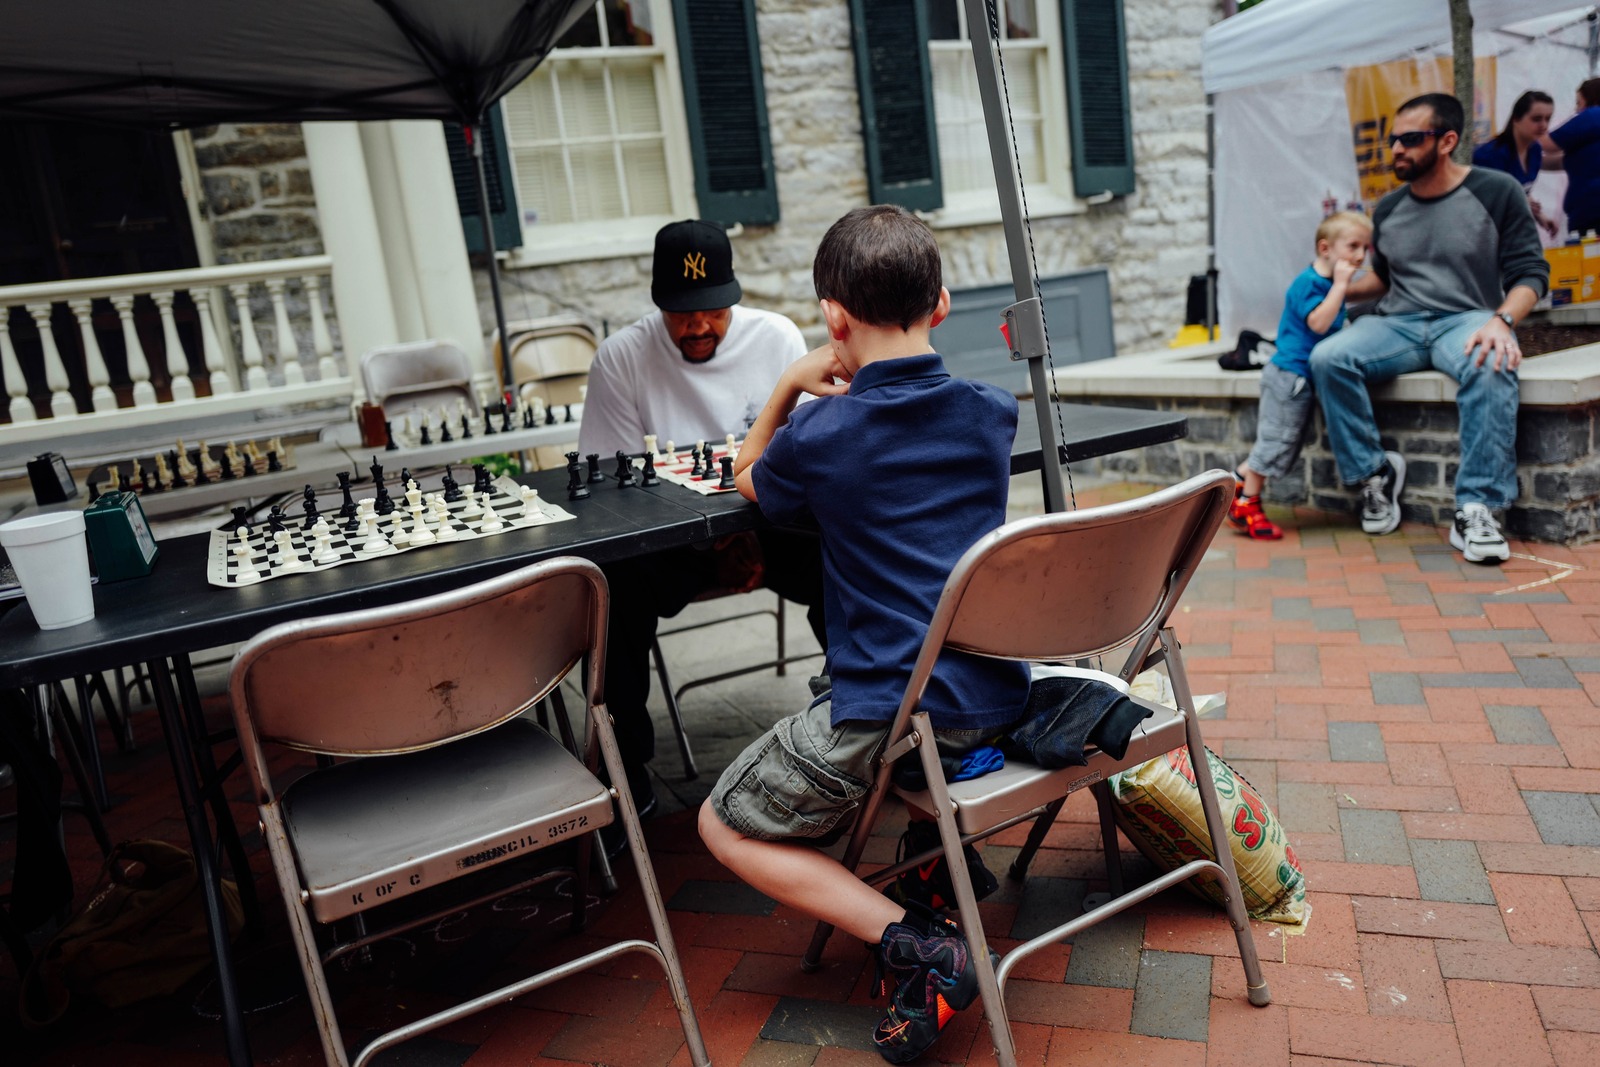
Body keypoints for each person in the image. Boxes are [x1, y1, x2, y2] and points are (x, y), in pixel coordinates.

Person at [698, 205, 1030, 1063]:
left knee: (719, 824)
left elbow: (747, 480)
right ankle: (928, 867)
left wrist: (788, 386)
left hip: (893, 708)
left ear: (834, 319)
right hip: (992, 698)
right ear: (943, 304)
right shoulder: (993, 413)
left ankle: (920, 945)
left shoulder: (821, 432)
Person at [578, 219, 825, 814]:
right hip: (671, 547)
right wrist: (711, 543)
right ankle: (622, 768)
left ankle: (865, 717)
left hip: (771, 529)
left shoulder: (777, 337)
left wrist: (752, 536)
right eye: (682, 311)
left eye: (713, 309)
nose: (698, 325)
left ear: (732, 295)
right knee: (608, 592)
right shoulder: (621, 357)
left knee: (846, 557)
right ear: (659, 302)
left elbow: (807, 459)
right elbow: (612, 493)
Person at [1308, 93, 1548, 565]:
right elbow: (1388, 278)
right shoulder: (1390, 207)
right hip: (1399, 321)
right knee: (1328, 357)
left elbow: (1530, 273)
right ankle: (1374, 475)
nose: (1396, 148)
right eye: (1393, 139)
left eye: (1410, 139)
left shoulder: (1497, 191)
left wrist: (1502, 321)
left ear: (1447, 141)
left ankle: (1478, 507)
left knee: (1491, 358)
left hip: (1466, 318)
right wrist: (1334, 285)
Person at [1230, 211, 1372, 540]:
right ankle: (1247, 506)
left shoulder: (1328, 285)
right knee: (1275, 442)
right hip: (1287, 377)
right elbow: (1318, 323)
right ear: (1325, 248)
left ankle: (1236, 483)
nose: (1360, 255)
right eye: (1352, 246)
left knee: (1286, 447)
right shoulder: (1309, 284)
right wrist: (1340, 285)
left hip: (1300, 380)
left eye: (1365, 248)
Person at [1473, 90, 1558, 238]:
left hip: (1512, 232)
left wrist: (1541, 217)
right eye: (1536, 119)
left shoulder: (1535, 150)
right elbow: (1484, 202)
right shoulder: (1490, 156)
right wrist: (1520, 202)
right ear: (1516, 119)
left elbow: (1522, 190)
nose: (1543, 125)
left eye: (1548, 119)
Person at [1545, 78, 1600, 237]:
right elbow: (1562, 161)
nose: (1576, 110)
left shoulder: (1592, 114)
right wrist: (1529, 160)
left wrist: (1514, 136)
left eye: (1578, 102)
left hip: (1590, 213)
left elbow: (1548, 144)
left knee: (1590, 259)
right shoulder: (1590, 145)